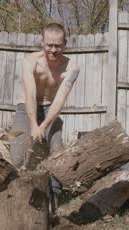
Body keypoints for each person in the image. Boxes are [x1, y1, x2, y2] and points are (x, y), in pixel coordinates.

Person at [9, 23, 80, 214]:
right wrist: (33, 125)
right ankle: (15, 198)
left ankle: (53, 199)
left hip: (51, 108)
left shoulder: (72, 67)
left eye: (58, 45)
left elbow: (60, 100)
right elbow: (30, 93)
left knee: (56, 150)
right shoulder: (30, 61)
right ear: (42, 42)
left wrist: (45, 126)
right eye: (49, 45)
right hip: (26, 107)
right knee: (16, 156)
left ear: (65, 43)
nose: (53, 50)